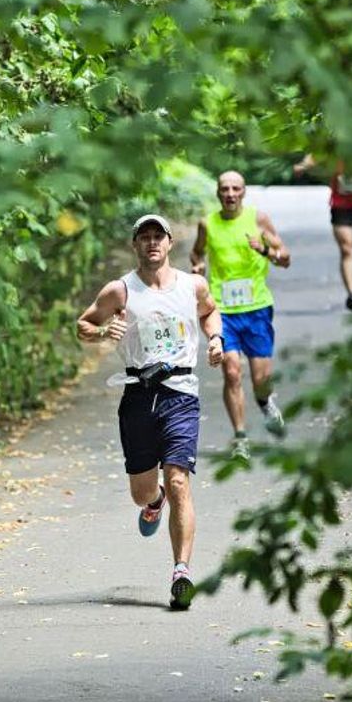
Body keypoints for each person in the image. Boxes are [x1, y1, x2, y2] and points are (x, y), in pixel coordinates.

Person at [77, 213, 224, 610]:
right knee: (143, 492)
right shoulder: (120, 291)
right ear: (136, 245)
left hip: (181, 393)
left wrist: (215, 339)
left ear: (170, 243)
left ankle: (182, 573)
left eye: (159, 236)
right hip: (138, 395)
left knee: (180, 481)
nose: (152, 243)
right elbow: (83, 325)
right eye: (145, 237)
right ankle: (153, 501)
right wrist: (102, 333)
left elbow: (209, 312)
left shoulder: (192, 285)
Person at [189, 171, 290, 462]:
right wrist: (197, 268)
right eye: (224, 189)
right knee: (232, 372)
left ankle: (264, 400)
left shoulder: (259, 220)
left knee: (261, 378)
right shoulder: (207, 223)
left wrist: (266, 249)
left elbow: (285, 258)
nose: (230, 193)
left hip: (257, 308)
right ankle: (241, 437)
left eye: (235, 189)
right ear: (218, 193)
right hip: (222, 310)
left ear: (243, 192)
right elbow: (197, 254)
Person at [293, 154, 352, 312]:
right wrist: (303, 166)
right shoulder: (334, 146)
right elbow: (314, 155)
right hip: (340, 206)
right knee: (346, 250)